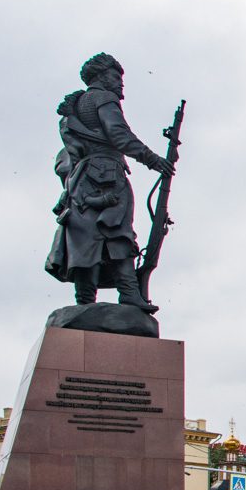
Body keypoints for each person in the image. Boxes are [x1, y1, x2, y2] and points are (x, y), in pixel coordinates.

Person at [45, 53, 174, 313]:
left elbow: (67, 157)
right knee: (117, 236)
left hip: (80, 182)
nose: (120, 83)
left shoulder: (76, 107)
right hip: (106, 175)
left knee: (86, 240)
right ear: (102, 77)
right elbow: (118, 134)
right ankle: (128, 293)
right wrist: (153, 159)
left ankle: (85, 303)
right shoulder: (103, 98)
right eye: (116, 77)